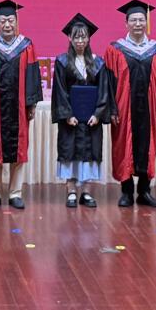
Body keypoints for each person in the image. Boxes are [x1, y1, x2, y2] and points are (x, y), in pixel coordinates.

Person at [104, 0, 156, 208]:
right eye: (133, 20)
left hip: (150, 107)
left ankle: (144, 191)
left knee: (147, 147)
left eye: (141, 20)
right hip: (123, 108)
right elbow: (108, 82)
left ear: (146, 22)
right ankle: (126, 191)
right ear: (126, 24)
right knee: (124, 146)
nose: (138, 24)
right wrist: (111, 108)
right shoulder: (115, 50)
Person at [0, 0, 43, 210]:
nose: (7, 24)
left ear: (16, 21)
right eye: (3, 21)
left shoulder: (27, 45)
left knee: (19, 149)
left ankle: (15, 193)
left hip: (19, 107)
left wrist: (32, 103)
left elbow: (32, 76)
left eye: (10, 20)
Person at [51, 13, 113, 209]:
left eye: (83, 37)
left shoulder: (98, 62)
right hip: (71, 120)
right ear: (69, 38)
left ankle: (86, 192)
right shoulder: (62, 62)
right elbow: (60, 91)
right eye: (76, 37)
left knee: (90, 154)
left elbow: (104, 91)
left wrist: (98, 114)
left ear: (88, 38)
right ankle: (71, 191)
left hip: (91, 119)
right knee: (69, 153)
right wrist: (67, 115)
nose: (80, 41)